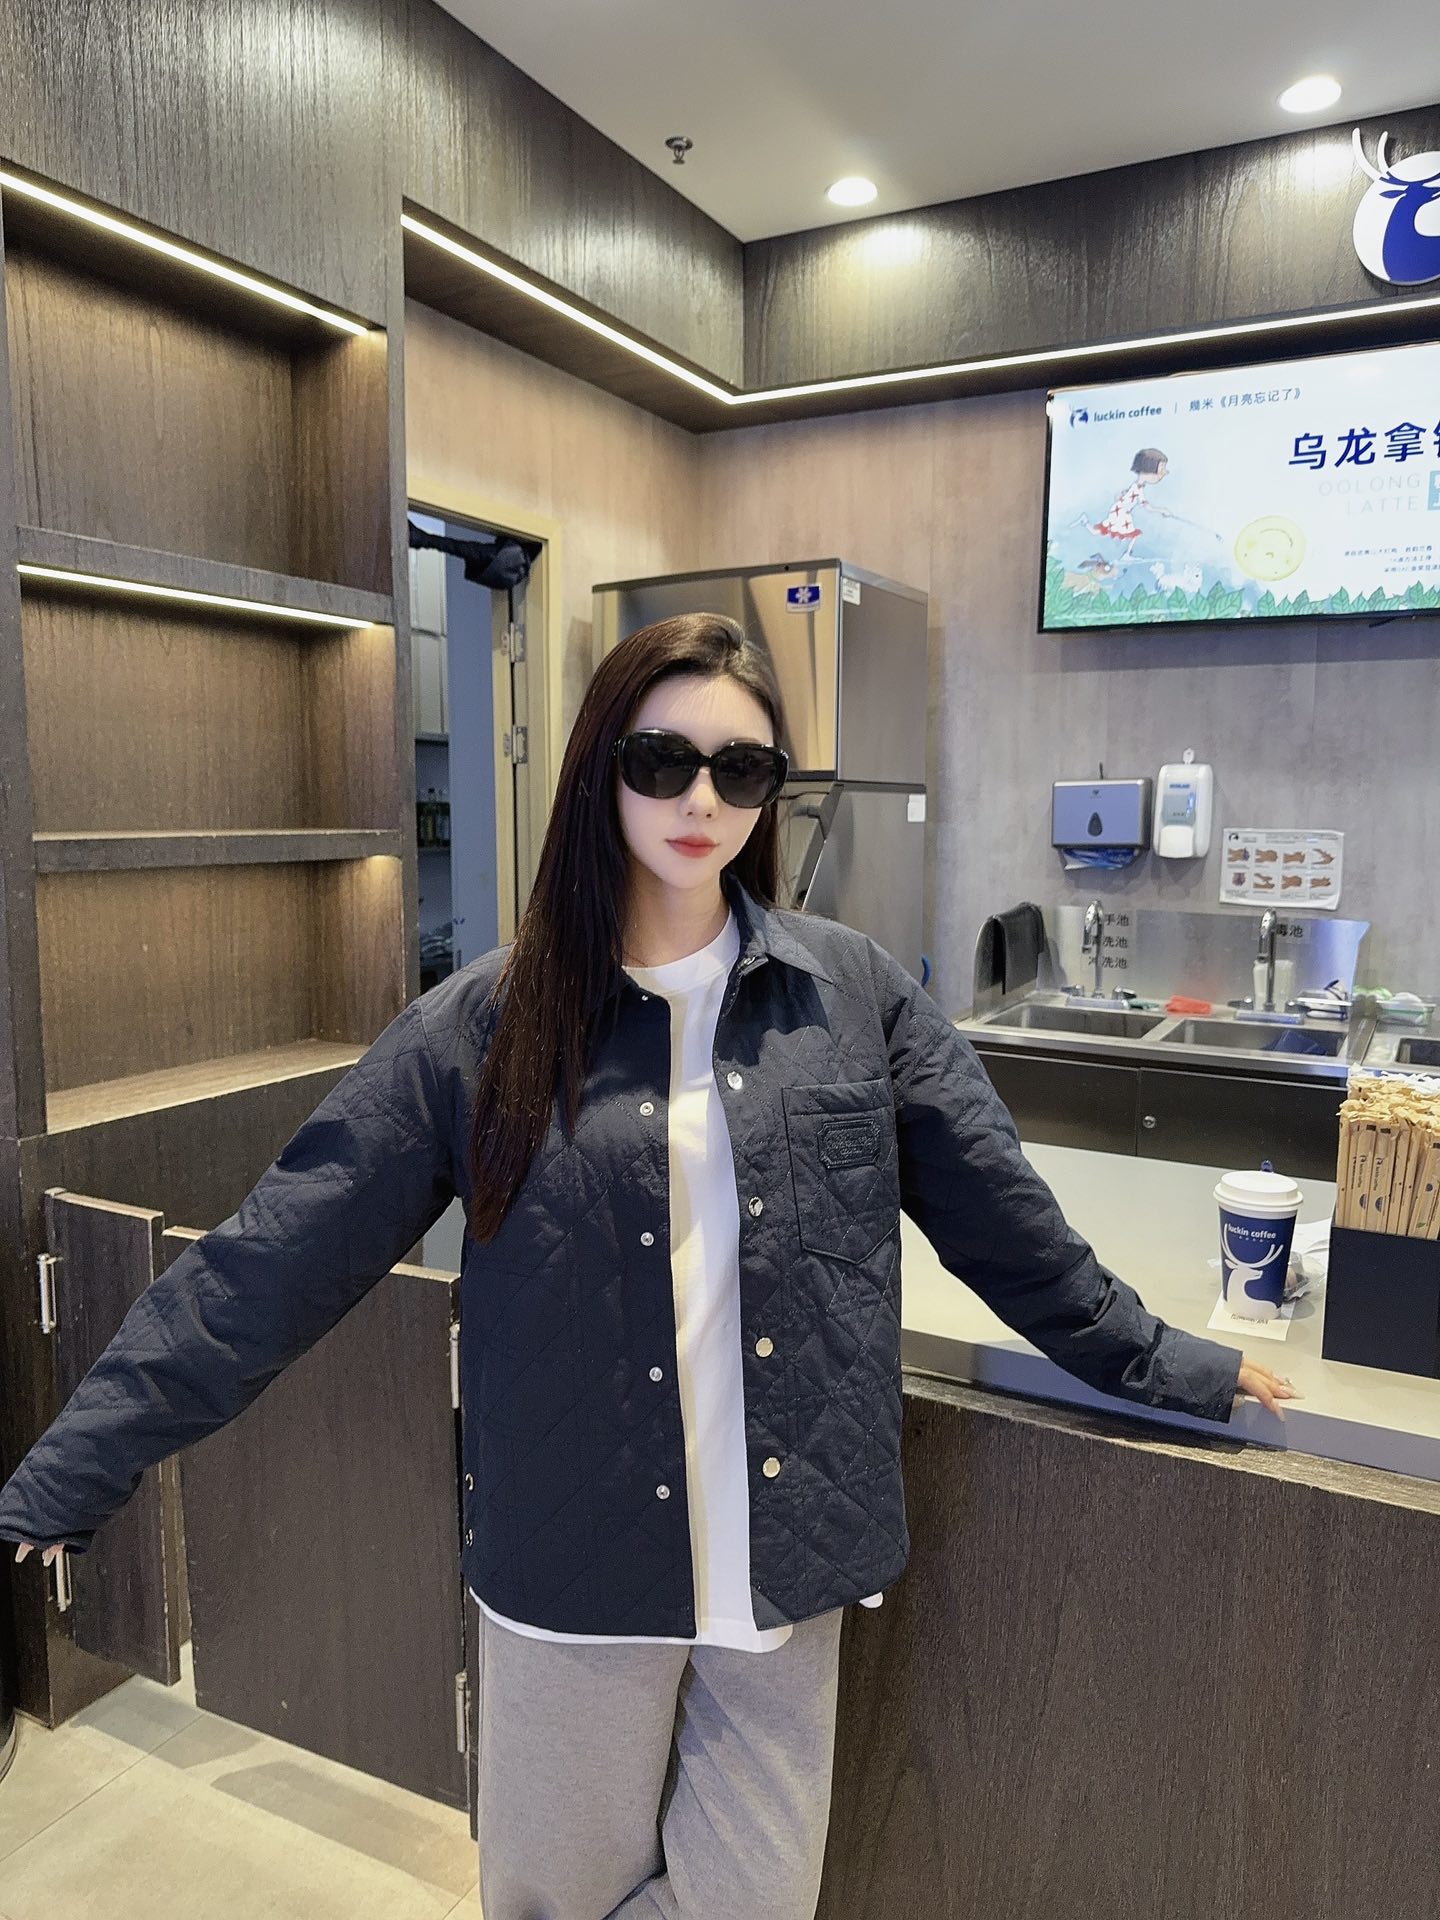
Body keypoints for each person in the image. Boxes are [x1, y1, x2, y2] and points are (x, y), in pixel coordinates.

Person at [0, 612, 1294, 1919]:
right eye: (663, 760)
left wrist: (1170, 1363)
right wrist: (73, 1466)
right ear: (598, 770)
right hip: (577, 1567)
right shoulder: (481, 1028)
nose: (702, 800)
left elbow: (1008, 1224)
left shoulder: (852, 998)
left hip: (786, 1562)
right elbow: (271, 1262)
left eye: (743, 770)